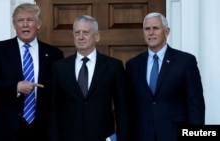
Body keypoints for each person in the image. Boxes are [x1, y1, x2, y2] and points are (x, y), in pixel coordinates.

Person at [0, 3, 64, 141]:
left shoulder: (54, 54)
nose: (25, 24)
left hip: (42, 129)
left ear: (38, 24)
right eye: (20, 20)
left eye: (30, 20)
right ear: (14, 25)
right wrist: (16, 87)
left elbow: (59, 92)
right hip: (7, 128)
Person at [125, 12, 205, 141]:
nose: (151, 33)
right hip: (142, 135)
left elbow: (195, 105)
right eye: (147, 29)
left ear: (167, 31)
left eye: (155, 28)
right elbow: (129, 106)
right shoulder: (133, 65)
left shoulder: (185, 61)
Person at [48, 15, 129, 141]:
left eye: (85, 32)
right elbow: (53, 110)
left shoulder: (113, 66)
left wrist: (121, 137)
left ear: (97, 36)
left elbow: (122, 108)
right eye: (77, 33)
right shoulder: (59, 68)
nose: (80, 37)